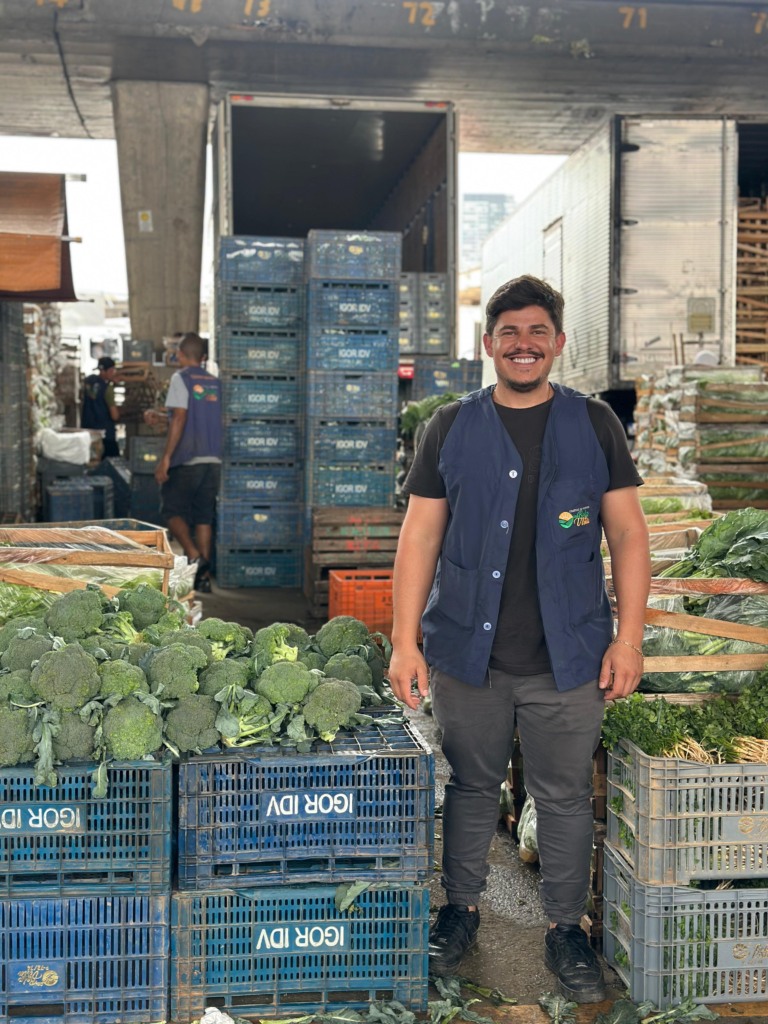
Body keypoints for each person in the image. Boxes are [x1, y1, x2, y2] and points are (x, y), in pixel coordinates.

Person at [388, 275, 650, 1003]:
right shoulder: (450, 427)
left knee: (562, 796)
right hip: (470, 655)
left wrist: (628, 639)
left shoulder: (595, 424)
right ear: (489, 345)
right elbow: (419, 538)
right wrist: (403, 642)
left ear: (558, 344)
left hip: (569, 657)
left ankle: (566, 927)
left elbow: (627, 534)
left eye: (538, 333)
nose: (524, 345)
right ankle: (460, 910)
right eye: (510, 333)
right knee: (470, 787)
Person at [145, 332, 222, 593]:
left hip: (187, 458)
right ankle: (203, 577)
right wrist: (160, 416)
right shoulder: (214, 382)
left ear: (180, 354)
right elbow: (198, 416)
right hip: (213, 460)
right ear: (202, 357)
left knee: (172, 511)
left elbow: (180, 417)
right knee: (203, 517)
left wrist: (165, 458)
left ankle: (195, 557)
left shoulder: (181, 379)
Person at [81, 355, 121, 457]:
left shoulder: (88, 382)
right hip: (105, 434)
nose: (114, 373)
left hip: (88, 431)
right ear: (104, 371)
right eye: (111, 370)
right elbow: (114, 416)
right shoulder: (108, 389)